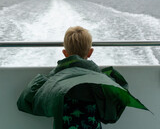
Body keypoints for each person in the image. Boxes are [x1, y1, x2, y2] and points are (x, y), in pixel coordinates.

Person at [17, 26, 148, 129]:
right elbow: (110, 113)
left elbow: (26, 100)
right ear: (90, 52)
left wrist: (44, 78)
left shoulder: (55, 80)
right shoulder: (100, 80)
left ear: (65, 53)